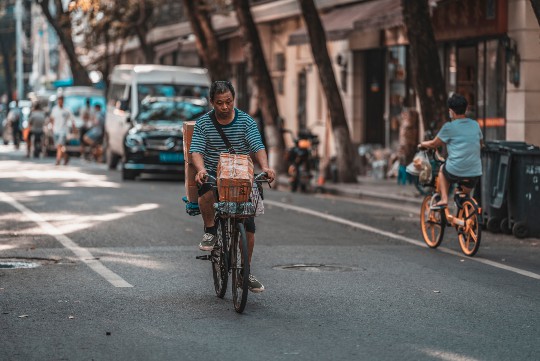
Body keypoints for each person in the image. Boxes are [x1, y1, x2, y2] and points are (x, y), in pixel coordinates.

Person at [189, 81, 276, 293]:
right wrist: (201, 170)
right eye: (220, 103)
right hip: (214, 174)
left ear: (233, 100)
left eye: (228, 102)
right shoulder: (203, 124)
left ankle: (245, 272)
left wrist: (265, 167)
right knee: (206, 187)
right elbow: (196, 151)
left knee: (248, 224)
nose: (225, 107)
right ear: (212, 102)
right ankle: (210, 231)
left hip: (241, 177)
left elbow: (257, 146)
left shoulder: (246, 122)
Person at [419, 93, 483, 209]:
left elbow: (434, 144)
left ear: (451, 112)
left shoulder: (449, 127)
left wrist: (422, 144)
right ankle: (466, 212)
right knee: (464, 193)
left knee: (443, 170)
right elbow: (481, 144)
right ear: (466, 109)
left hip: (455, 170)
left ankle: (444, 199)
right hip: (475, 171)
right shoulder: (475, 125)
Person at [50, 94, 76, 166]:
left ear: (63, 101)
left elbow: (72, 120)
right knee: (59, 146)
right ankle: (66, 157)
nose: (60, 101)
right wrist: (52, 128)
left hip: (63, 130)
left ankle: (58, 160)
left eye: (61, 100)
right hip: (56, 130)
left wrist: (74, 129)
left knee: (59, 145)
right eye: (59, 100)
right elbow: (52, 119)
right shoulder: (54, 109)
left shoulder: (67, 110)